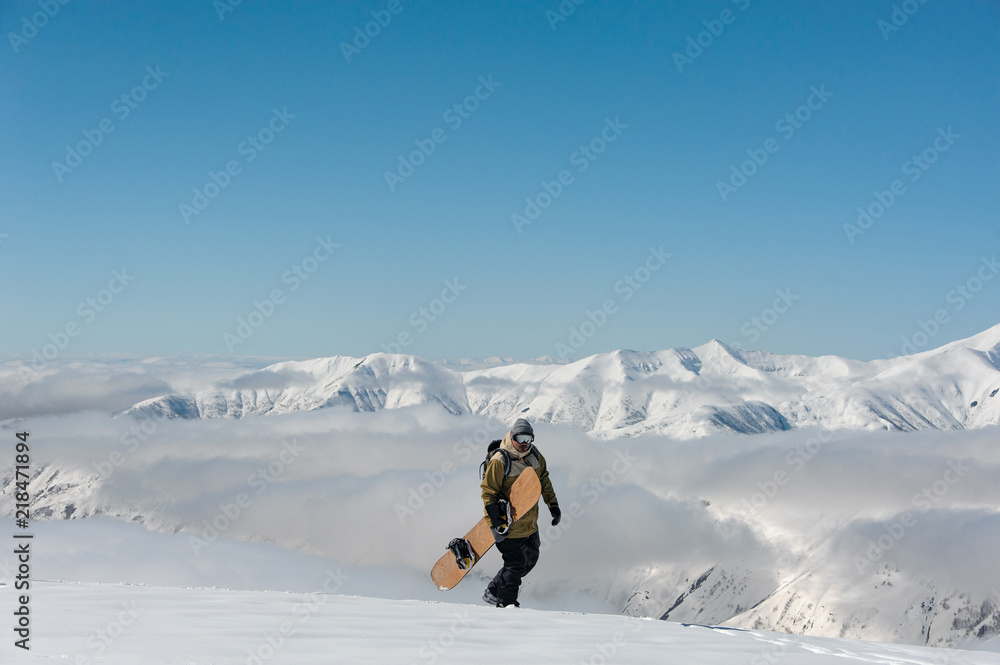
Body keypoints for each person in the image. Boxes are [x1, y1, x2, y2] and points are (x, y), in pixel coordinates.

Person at [480, 418, 559, 607]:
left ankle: (493, 591)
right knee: (515, 564)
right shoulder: (501, 460)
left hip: (530, 523)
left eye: (528, 438)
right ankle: (506, 605)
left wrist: (553, 505)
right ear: (512, 436)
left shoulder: (535, 455)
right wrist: (496, 522)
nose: (524, 443)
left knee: (530, 560)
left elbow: (544, 480)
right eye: (520, 437)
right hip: (508, 525)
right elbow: (488, 492)